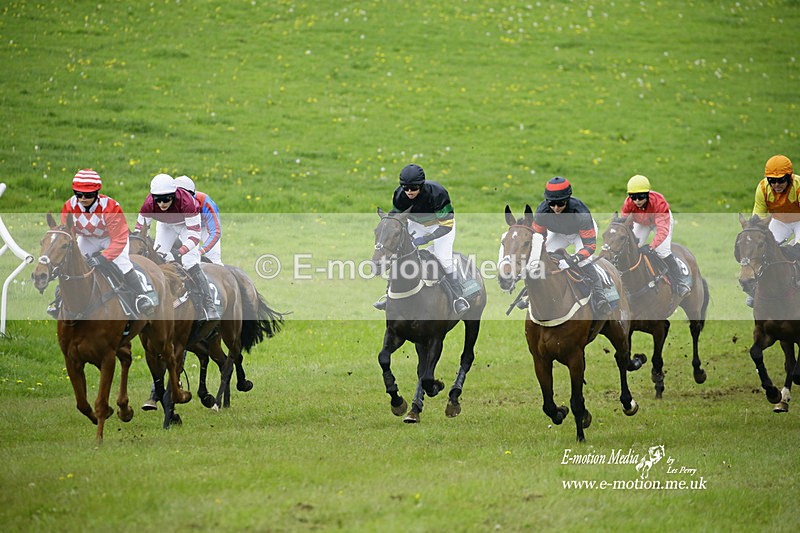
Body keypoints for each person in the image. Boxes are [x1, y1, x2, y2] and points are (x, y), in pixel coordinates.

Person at [48, 169, 154, 318]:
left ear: (97, 193)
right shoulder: (69, 206)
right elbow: (68, 234)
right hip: (87, 238)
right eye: (79, 194)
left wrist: (101, 258)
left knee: (123, 263)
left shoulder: (110, 207)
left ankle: (141, 297)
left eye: (89, 195)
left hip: (112, 238)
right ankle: (59, 300)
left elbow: (118, 240)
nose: (83, 198)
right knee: (70, 263)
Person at [373, 163, 470, 314]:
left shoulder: (437, 193)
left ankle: (458, 296)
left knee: (442, 258)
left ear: (421, 185)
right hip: (417, 224)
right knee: (400, 254)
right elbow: (396, 218)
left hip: (441, 225)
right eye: (406, 188)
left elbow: (447, 225)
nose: (409, 192)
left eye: (414, 188)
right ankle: (389, 295)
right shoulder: (399, 194)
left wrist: (427, 239)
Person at [136, 173, 220, 322]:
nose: (162, 204)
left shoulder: (188, 202)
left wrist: (178, 253)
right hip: (166, 226)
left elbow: (194, 236)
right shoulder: (148, 204)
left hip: (187, 226)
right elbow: (140, 232)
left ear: (174, 195)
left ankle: (209, 304)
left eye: (166, 199)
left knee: (189, 261)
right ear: (152, 197)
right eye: (158, 199)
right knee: (158, 256)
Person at [531, 176, 612, 315]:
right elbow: (538, 239)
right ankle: (530, 293)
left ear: (568, 199)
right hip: (559, 233)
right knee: (541, 256)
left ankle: (600, 296)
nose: (556, 208)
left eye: (561, 203)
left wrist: (572, 260)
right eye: (552, 203)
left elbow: (590, 247)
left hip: (581, 234)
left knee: (583, 262)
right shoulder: (541, 212)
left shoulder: (581, 212)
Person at [620, 174, 690, 298]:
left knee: (662, 251)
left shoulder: (659, 202)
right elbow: (626, 224)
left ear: (647, 194)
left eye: (640, 197)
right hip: (643, 222)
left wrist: (651, 246)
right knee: (634, 247)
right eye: (633, 197)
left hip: (660, 222)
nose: (637, 201)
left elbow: (662, 230)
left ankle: (680, 283)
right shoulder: (628, 204)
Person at [174, 175, 223, 265]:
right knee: (187, 259)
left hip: (205, 228)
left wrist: (202, 250)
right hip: (186, 227)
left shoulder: (205, 202)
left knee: (214, 259)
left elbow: (215, 232)